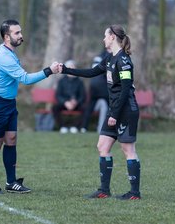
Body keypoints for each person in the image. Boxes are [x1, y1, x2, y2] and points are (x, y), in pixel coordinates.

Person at [59, 25, 141, 200]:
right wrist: (65, 70)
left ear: (112, 37)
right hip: (115, 110)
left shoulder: (124, 61)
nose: (103, 39)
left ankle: (134, 193)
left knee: (128, 150)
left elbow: (126, 90)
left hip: (126, 110)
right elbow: (91, 72)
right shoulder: (109, 58)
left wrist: (114, 115)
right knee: (102, 146)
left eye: (105, 36)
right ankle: (104, 190)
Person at [0, 19, 60, 194]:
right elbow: (25, 79)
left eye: (20, 32)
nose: (21, 36)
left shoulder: (9, 52)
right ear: (6, 36)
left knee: (11, 140)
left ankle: (11, 182)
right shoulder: (4, 56)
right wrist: (49, 70)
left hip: (9, 103)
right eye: (16, 33)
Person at [52, 60, 86, 134]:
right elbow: (58, 95)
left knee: (86, 108)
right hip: (64, 103)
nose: (71, 69)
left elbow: (83, 96)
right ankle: (62, 127)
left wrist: (76, 102)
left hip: (76, 104)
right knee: (55, 108)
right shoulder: (61, 81)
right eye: (69, 67)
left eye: (73, 67)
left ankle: (76, 127)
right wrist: (65, 102)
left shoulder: (79, 81)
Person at [80, 50, 110, 133]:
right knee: (90, 107)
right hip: (100, 87)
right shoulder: (105, 56)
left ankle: (84, 127)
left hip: (97, 86)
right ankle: (85, 127)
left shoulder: (101, 56)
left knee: (92, 107)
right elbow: (96, 70)